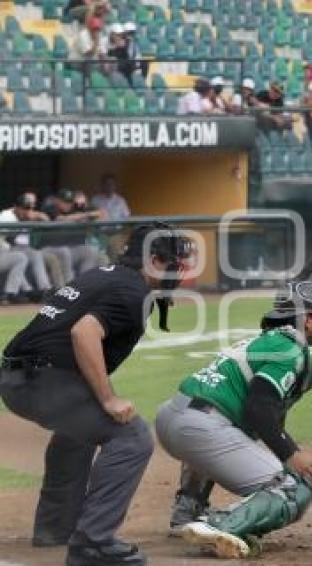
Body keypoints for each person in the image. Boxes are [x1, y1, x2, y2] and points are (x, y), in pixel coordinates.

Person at [0, 222, 191, 565]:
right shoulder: (132, 290)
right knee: (132, 438)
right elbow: (83, 332)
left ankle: (54, 529)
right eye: (175, 263)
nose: (178, 272)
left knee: (79, 432)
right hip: (44, 380)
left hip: (19, 378)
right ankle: (93, 542)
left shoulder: (106, 275)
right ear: (157, 261)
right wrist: (107, 398)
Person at [156, 281, 312, 558]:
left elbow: (266, 422)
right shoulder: (292, 351)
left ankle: (188, 510)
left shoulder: (268, 342)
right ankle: (219, 525)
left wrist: (309, 469)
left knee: (228, 431)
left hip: (172, 417)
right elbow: (259, 410)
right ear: (307, 320)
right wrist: (294, 457)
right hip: (201, 428)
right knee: (293, 489)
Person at [0, 193, 55, 301]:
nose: (27, 211)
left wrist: (39, 217)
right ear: (16, 207)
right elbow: (8, 240)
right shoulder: (5, 216)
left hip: (10, 249)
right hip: (4, 250)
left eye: (29, 208)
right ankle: (23, 291)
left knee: (34, 254)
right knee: (20, 257)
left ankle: (45, 289)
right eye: (24, 208)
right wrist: (26, 221)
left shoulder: (26, 216)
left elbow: (47, 221)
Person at [40, 189, 102, 282]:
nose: (67, 204)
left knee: (90, 251)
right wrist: (86, 215)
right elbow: (61, 220)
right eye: (64, 201)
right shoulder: (50, 208)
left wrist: (84, 204)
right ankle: (69, 286)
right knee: (64, 251)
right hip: (49, 248)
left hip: (70, 248)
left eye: (69, 202)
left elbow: (100, 214)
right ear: (57, 200)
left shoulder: (76, 208)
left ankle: (84, 284)